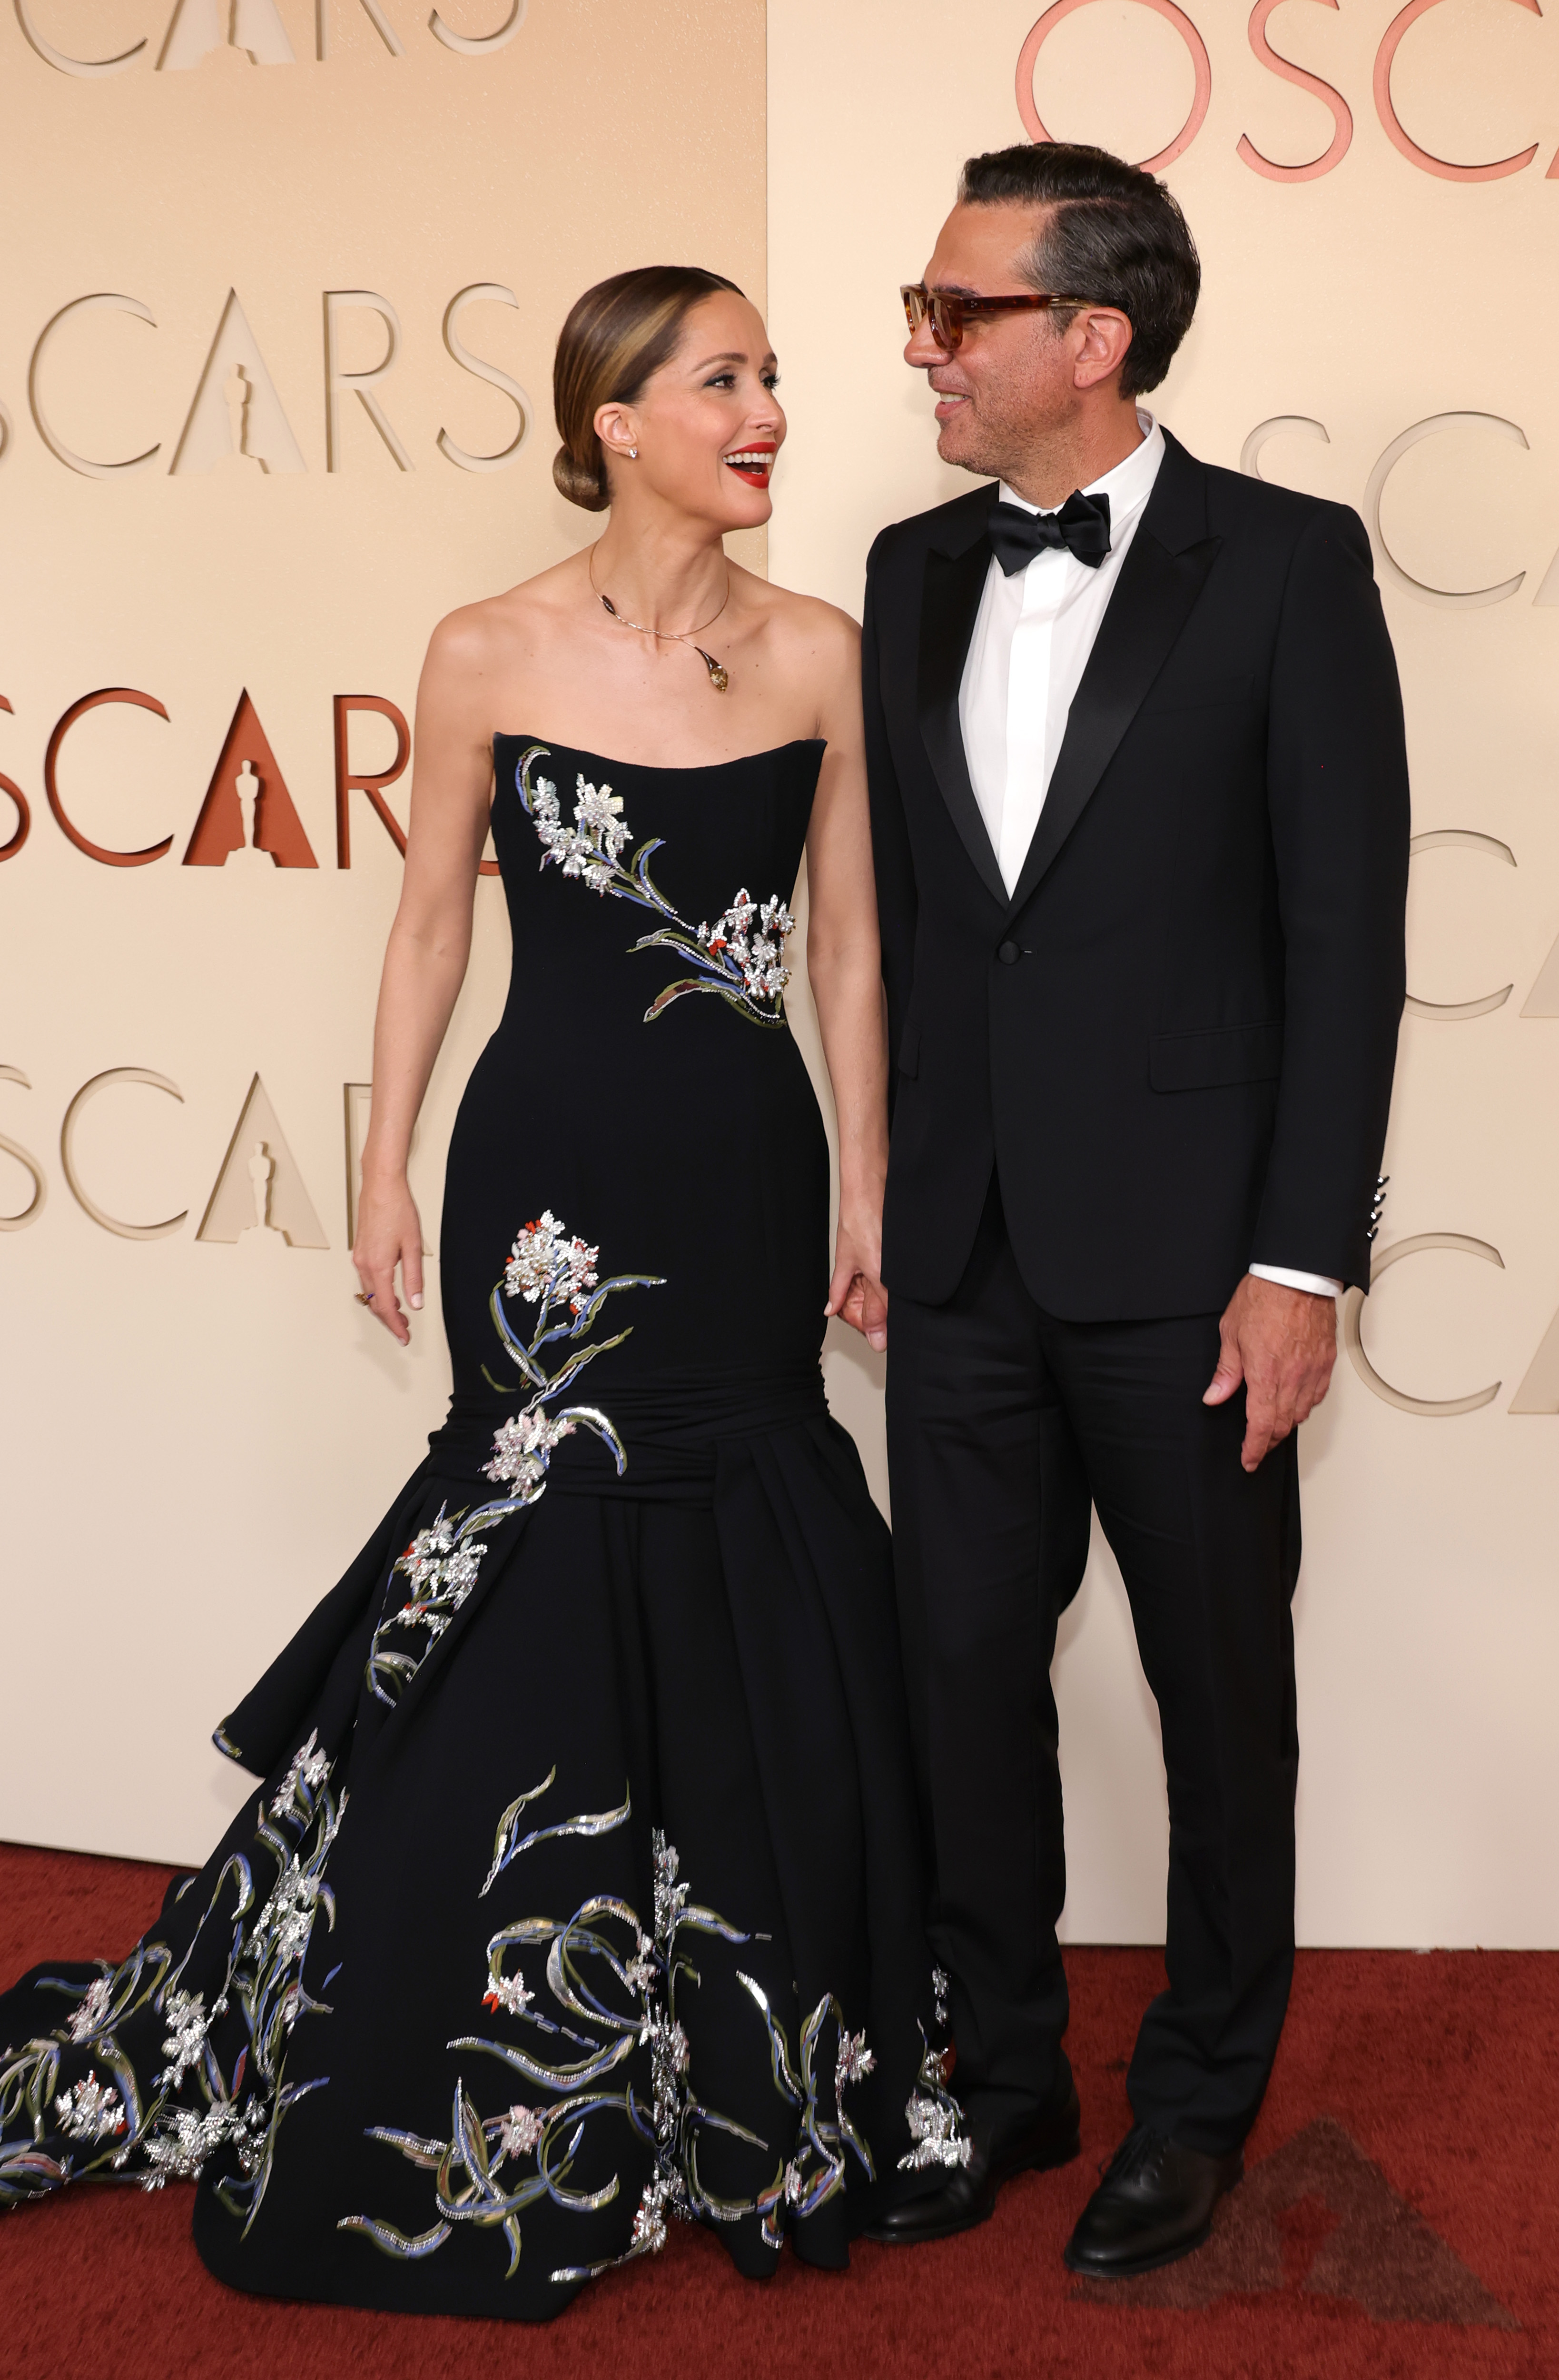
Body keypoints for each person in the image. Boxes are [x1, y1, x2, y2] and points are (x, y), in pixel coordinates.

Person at [0, 266, 966, 2318]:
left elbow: (853, 952)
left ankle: (732, 2056)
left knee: (742, 1536)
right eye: (725, 378)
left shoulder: (818, 650)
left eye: (770, 376)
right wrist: (380, 1164)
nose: (768, 406)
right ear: (617, 416)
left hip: (743, 1170)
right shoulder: (486, 645)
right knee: (523, 1551)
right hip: (541, 1182)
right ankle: (486, 2029)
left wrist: (864, 1177)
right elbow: (431, 922)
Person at [858, 146, 1409, 2278]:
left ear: (1092, 337)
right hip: (965, 1249)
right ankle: (1006, 2074)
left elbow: (1338, 932)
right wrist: (882, 1178)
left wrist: (1300, 1260)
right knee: (960, 1675)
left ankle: (1195, 2097)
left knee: (1214, 1688)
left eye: (954, 308)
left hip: (1193, 1262)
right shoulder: (911, 573)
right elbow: (916, 927)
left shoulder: (1283, 563)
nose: (920, 343)